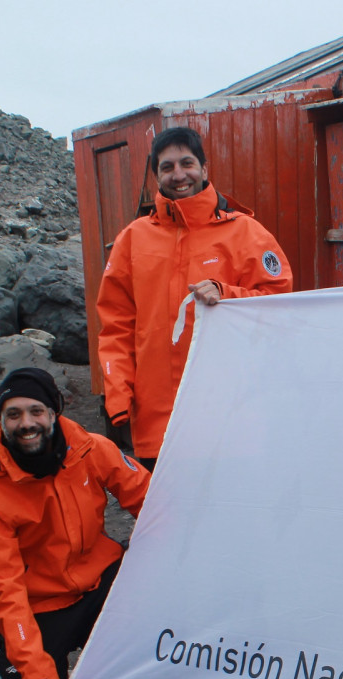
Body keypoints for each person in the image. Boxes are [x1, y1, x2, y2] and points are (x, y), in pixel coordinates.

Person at [96, 125, 294, 467]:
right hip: (156, 419)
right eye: (167, 167)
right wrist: (118, 398)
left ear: (204, 169)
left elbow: (279, 303)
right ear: (156, 177)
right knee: (166, 517)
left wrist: (226, 294)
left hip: (231, 411)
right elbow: (115, 327)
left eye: (186, 163)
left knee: (231, 512)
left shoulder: (245, 233)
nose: (178, 175)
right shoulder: (133, 239)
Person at [0, 368, 151, 679]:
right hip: (43, 606)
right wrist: (36, 673)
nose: (26, 423)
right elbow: (3, 590)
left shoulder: (90, 449)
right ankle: (21, 657)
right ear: (1, 422)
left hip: (101, 583)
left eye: (36, 411)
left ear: (54, 412)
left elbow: (152, 503)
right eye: (13, 414)